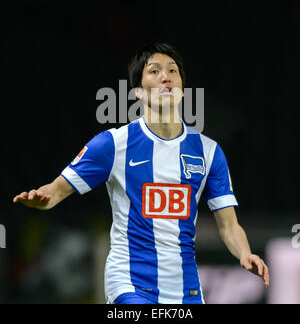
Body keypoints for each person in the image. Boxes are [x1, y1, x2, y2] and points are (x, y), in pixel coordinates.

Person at [13, 42, 269, 304]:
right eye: (154, 71)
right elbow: (55, 190)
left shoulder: (209, 152)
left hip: (186, 288)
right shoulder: (113, 144)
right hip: (130, 282)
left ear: (182, 89)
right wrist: (42, 199)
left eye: (172, 71)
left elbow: (228, 225)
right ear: (138, 92)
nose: (165, 77)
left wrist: (244, 253)